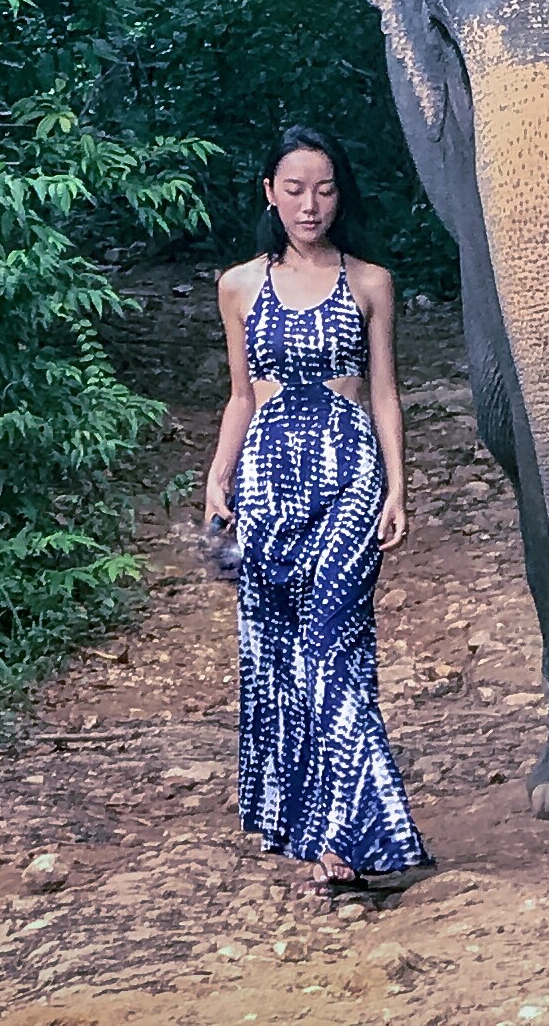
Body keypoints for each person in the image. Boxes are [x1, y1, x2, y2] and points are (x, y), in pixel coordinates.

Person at [204, 126, 429, 895]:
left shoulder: (371, 281)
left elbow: (385, 396)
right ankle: (303, 818)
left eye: (325, 188)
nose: (311, 203)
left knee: (334, 649)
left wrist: (398, 485)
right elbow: (240, 396)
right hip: (268, 479)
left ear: (342, 194)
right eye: (295, 188)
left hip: (348, 475)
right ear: (269, 191)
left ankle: (352, 841)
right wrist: (217, 478)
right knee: (275, 657)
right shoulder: (238, 284)